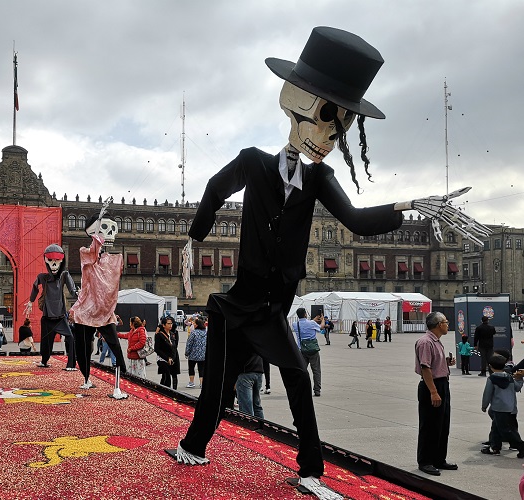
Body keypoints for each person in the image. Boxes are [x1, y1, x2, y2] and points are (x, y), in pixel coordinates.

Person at [174, 28, 487, 496]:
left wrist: (408, 205)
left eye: (338, 129)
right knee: (218, 388)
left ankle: (310, 473)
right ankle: (193, 447)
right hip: (232, 305)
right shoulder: (254, 162)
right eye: (324, 120)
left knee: (298, 379)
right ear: (294, 102)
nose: (327, 138)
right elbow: (216, 190)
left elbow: (358, 222)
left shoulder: (320, 178)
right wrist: (193, 239)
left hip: (272, 309)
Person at [69, 208, 130, 398]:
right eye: (104, 228)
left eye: (113, 229)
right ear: (92, 231)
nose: (110, 233)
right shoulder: (85, 253)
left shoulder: (114, 259)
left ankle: (118, 386)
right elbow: (94, 253)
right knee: (83, 346)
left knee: (115, 346)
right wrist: (96, 235)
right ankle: (86, 378)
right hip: (86, 310)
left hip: (105, 312)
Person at [415, 311, 457, 476]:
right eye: (446, 322)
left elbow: (432, 364)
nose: (448, 324)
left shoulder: (436, 341)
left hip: (442, 384)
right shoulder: (425, 342)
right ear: (439, 324)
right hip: (431, 386)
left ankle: (439, 459)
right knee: (429, 425)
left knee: (442, 424)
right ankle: (425, 461)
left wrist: (445, 363)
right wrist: (433, 392)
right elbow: (425, 368)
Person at [25, 243, 77, 370]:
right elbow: (35, 288)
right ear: (45, 260)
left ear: (62, 261)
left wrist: (78, 294)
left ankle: (71, 364)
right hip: (47, 318)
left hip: (60, 317)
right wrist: (31, 302)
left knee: (70, 338)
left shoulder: (64, 275)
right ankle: (44, 361)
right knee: (46, 343)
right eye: (50, 260)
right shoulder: (43, 277)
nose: (54, 264)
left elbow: (72, 289)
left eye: (57, 260)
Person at [481, 353, 524, 457]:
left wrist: (484, 405)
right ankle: (495, 447)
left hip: (498, 408)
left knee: (506, 430)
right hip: (511, 408)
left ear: (490, 366)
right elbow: (518, 388)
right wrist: (519, 378)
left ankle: (521, 446)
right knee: (496, 428)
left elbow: (487, 393)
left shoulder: (491, 379)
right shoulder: (510, 378)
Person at [293, 308, 323, 397]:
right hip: (313, 350)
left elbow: (306, 323)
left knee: (302, 371)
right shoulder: (312, 323)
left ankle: (301, 389)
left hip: (302, 350)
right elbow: (321, 328)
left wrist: (313, 320)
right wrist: (323, 320)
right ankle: (317, 390)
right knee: (316, 371)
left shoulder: (295, 324)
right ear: (305, 314)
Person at [235, 353, 265, 419]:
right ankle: (260, 426)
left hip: (246, 371)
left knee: (246, 407)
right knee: (256, 406)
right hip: (258, 370)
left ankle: (249, 427)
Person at [155, 316, 180, 389]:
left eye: (171, 323)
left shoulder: (173, 334)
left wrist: (172, 358)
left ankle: (174, 391)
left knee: (173, 374)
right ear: (163, 325)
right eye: (168, 324)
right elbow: (157, 349)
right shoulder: (159, 335)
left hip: (173, 356)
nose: (170, 325)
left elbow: (175, 347)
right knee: (166, 376)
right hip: (163, 358)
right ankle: (164, 391)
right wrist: (167, 358)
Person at [185, 317, 207, 388]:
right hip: (203, 355)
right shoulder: (206, 333)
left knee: (191, 368)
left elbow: (189, 343)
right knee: (201, 369)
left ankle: (191, 382)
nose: (193, 324)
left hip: (193, 354)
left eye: (195, 323)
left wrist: (187, 352)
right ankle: (202, 383)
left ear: (197, 325)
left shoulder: (193, 333)